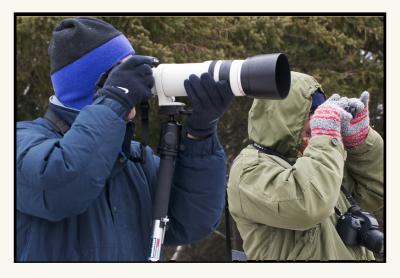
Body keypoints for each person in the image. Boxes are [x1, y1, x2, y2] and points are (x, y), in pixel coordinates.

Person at [16, 17, 233, 261]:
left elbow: (190, 222)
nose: (139, 80)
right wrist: (115, 100)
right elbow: (61, 188)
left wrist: (200, 135)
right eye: (123, 71)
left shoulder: (135, 158)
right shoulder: (21, 141)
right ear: (96, 83)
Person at [227, 71, 384, 260]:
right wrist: (326, 139)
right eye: (310, 113)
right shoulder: (249, 168)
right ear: (284, 116)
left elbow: (373, 192)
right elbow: (307, 206)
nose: (316, 121)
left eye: (320, 112)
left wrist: (360, 142)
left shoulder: (316, 157)